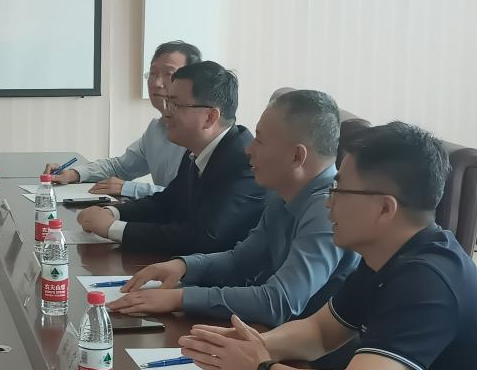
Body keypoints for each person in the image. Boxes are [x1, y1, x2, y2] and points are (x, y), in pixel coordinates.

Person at [179, 123, 477, 370]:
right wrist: (256, 344)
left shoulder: (429, 279)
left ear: (385, 208)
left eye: (339, 190)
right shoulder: (388, 255)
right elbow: (321, 332)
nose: (327, 203)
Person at [109, 89, 359, 325]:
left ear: (297, 156)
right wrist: (183, 266)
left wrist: (180, 298)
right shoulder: (285, 193)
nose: (249, 150)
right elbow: (242, 260)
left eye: (259, 141)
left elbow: (280, 301)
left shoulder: (328, 209)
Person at [77, 61, 265, 253]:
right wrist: (113, 212)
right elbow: (168, 202)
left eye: (175, 105)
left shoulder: (245, 163)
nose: (166, 113)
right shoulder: (196, 150)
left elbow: (205, 238)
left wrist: (112, 228)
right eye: (168, 103)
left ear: (210, 117)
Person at [48, 40, 200, 198]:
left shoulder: (199, 134)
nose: (156, 83)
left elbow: (194, 197)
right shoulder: (156, 129)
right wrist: (75, 173)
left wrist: (130, 189)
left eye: (169, 74)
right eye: (153, 74)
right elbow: (120, 167)